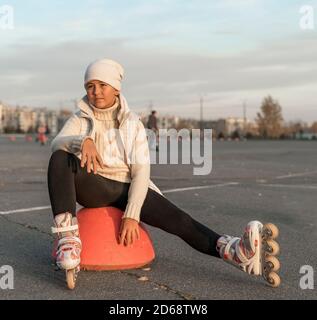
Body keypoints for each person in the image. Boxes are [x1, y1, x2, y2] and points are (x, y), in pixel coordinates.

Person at [47, 59, 281, 288]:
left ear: (116, 88)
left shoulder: (132, 124)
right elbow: (57, 143)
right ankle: (67, 240)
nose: (96, 92)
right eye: (90, 86)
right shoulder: (80, 118)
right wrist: (82, 141)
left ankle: (237, 252)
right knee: (60, 157)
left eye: (102, 85)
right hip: (95, 187)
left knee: (181, 222)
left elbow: (141, 172)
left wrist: (131, 215)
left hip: (128, 188)